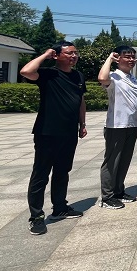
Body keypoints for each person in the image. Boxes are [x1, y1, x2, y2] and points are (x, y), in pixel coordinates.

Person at [20, 42, 87, 235]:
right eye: (69, 53)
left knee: (62, 171)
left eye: (75, 53)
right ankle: (36, 217)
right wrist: (45, 54)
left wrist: (82, 124)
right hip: (47, 132)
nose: (74, 56)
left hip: (69, 132)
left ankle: (60, 207)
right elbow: (25, 71)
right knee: (41, 174)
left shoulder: (78, 76)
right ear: (56, 55)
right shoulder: (48, 74)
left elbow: (81, 101)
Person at [98, 46, 137, 209]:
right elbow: (102, 78)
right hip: (116, 125)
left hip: (132, 124)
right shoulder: (114, 76)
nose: (131, 60)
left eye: (133, 57)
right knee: (112, 162)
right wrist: (109, 58)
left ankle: (118, 190)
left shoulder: (132, 78)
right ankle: (107, 197)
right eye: (127, 56)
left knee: (124, 161)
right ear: (118, 58)